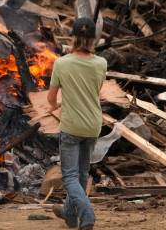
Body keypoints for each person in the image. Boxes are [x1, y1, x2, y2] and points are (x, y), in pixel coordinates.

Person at [47, 17, 107, 230]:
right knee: (81, 174)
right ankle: (70, 216)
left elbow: (51, 98)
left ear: (72, 37)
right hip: (92, 125)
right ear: (93, 40)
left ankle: (87, 213)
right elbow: (95, 91)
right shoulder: (101, 63)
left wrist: (54, 106)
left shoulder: (62, 63)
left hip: (71, 126)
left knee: (70, 176)